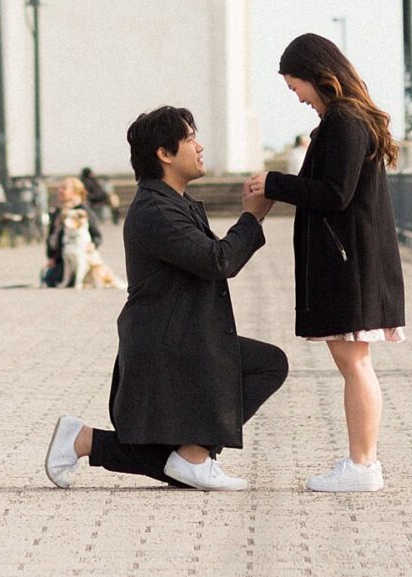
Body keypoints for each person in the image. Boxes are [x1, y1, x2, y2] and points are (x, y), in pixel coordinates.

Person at [45, 104, 287, 493]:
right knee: (264, 368)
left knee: (267, 365)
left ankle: (91, 441)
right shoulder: (156, 209)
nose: (201, 147)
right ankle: (189, 456)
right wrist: (251, 218)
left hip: (184, 338)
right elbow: (218, 261)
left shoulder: (172, 201)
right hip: (168, 346)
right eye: (191, 138)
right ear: (165, 153)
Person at [247, 32, 404, 495]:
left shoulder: (344, 121)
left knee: (354, 363)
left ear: (318, 76)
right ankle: (362, 462)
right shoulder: (347, 120)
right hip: (352, 258)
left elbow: (336, 193)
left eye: (295, 85)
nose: (295, 96)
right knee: (354, 362)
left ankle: (362, 465)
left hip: (349, 262)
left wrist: (273, 183)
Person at [42, 177, 99, 287]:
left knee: (54, 279)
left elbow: (96, 235)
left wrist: (93, 244)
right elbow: (51, 236)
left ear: (75, 191)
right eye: (60, 188)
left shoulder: (82, 211)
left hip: (78, 257)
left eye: (64, 188)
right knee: (49, 279)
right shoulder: (58, 211)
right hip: (61, 258)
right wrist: (51, 257)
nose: (60, 191)